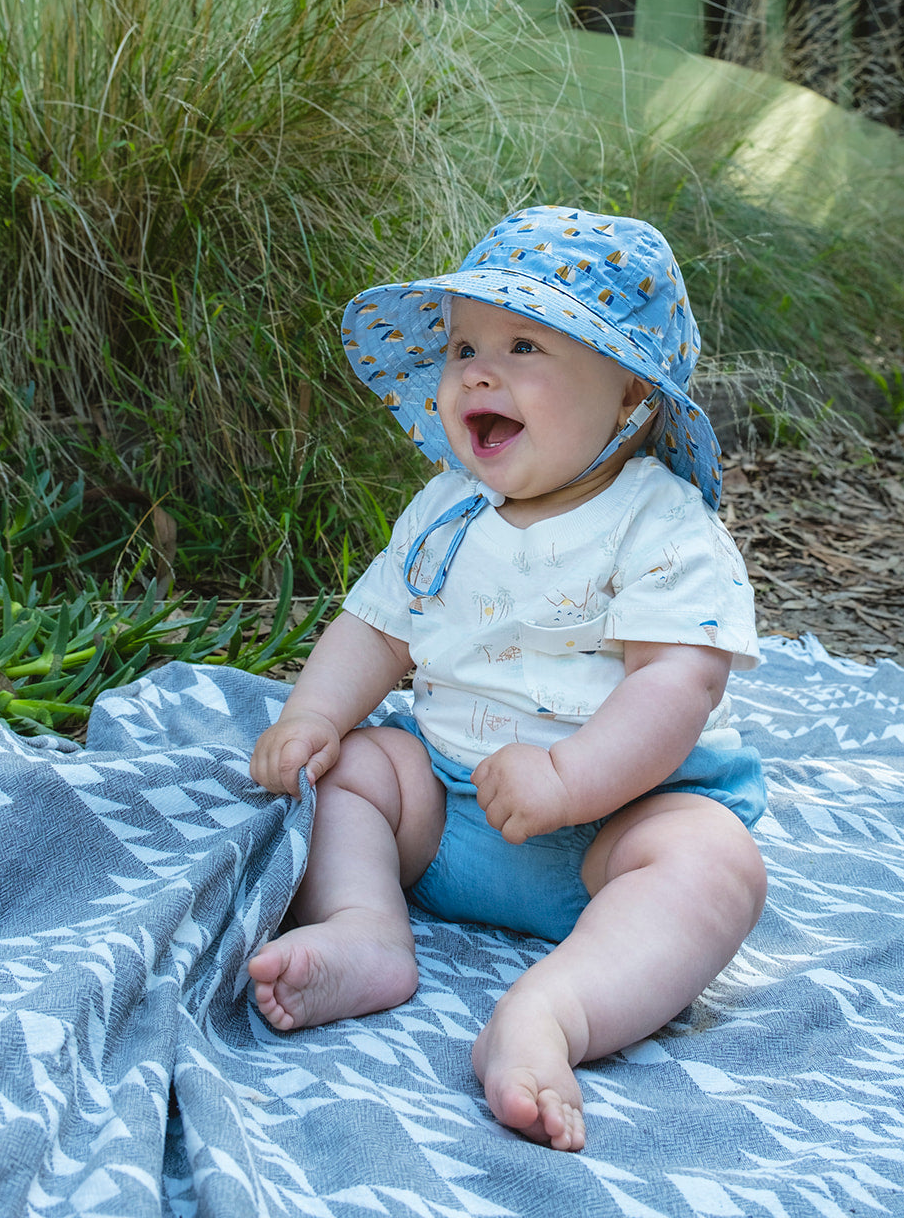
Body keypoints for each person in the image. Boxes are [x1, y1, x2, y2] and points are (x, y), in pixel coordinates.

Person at [248, 204, 768, 1152]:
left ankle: (552, 1011)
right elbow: (376, 628)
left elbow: (676, 684)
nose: (478, 373)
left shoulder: (659, 523)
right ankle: (366, 930)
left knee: (713, 862)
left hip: (612, 828)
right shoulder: (446, 509)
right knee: (355, 769)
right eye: (463, 348)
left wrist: (569, 779)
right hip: (447, 810)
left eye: (524, 346)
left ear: (629, 395)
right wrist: (312, 715)